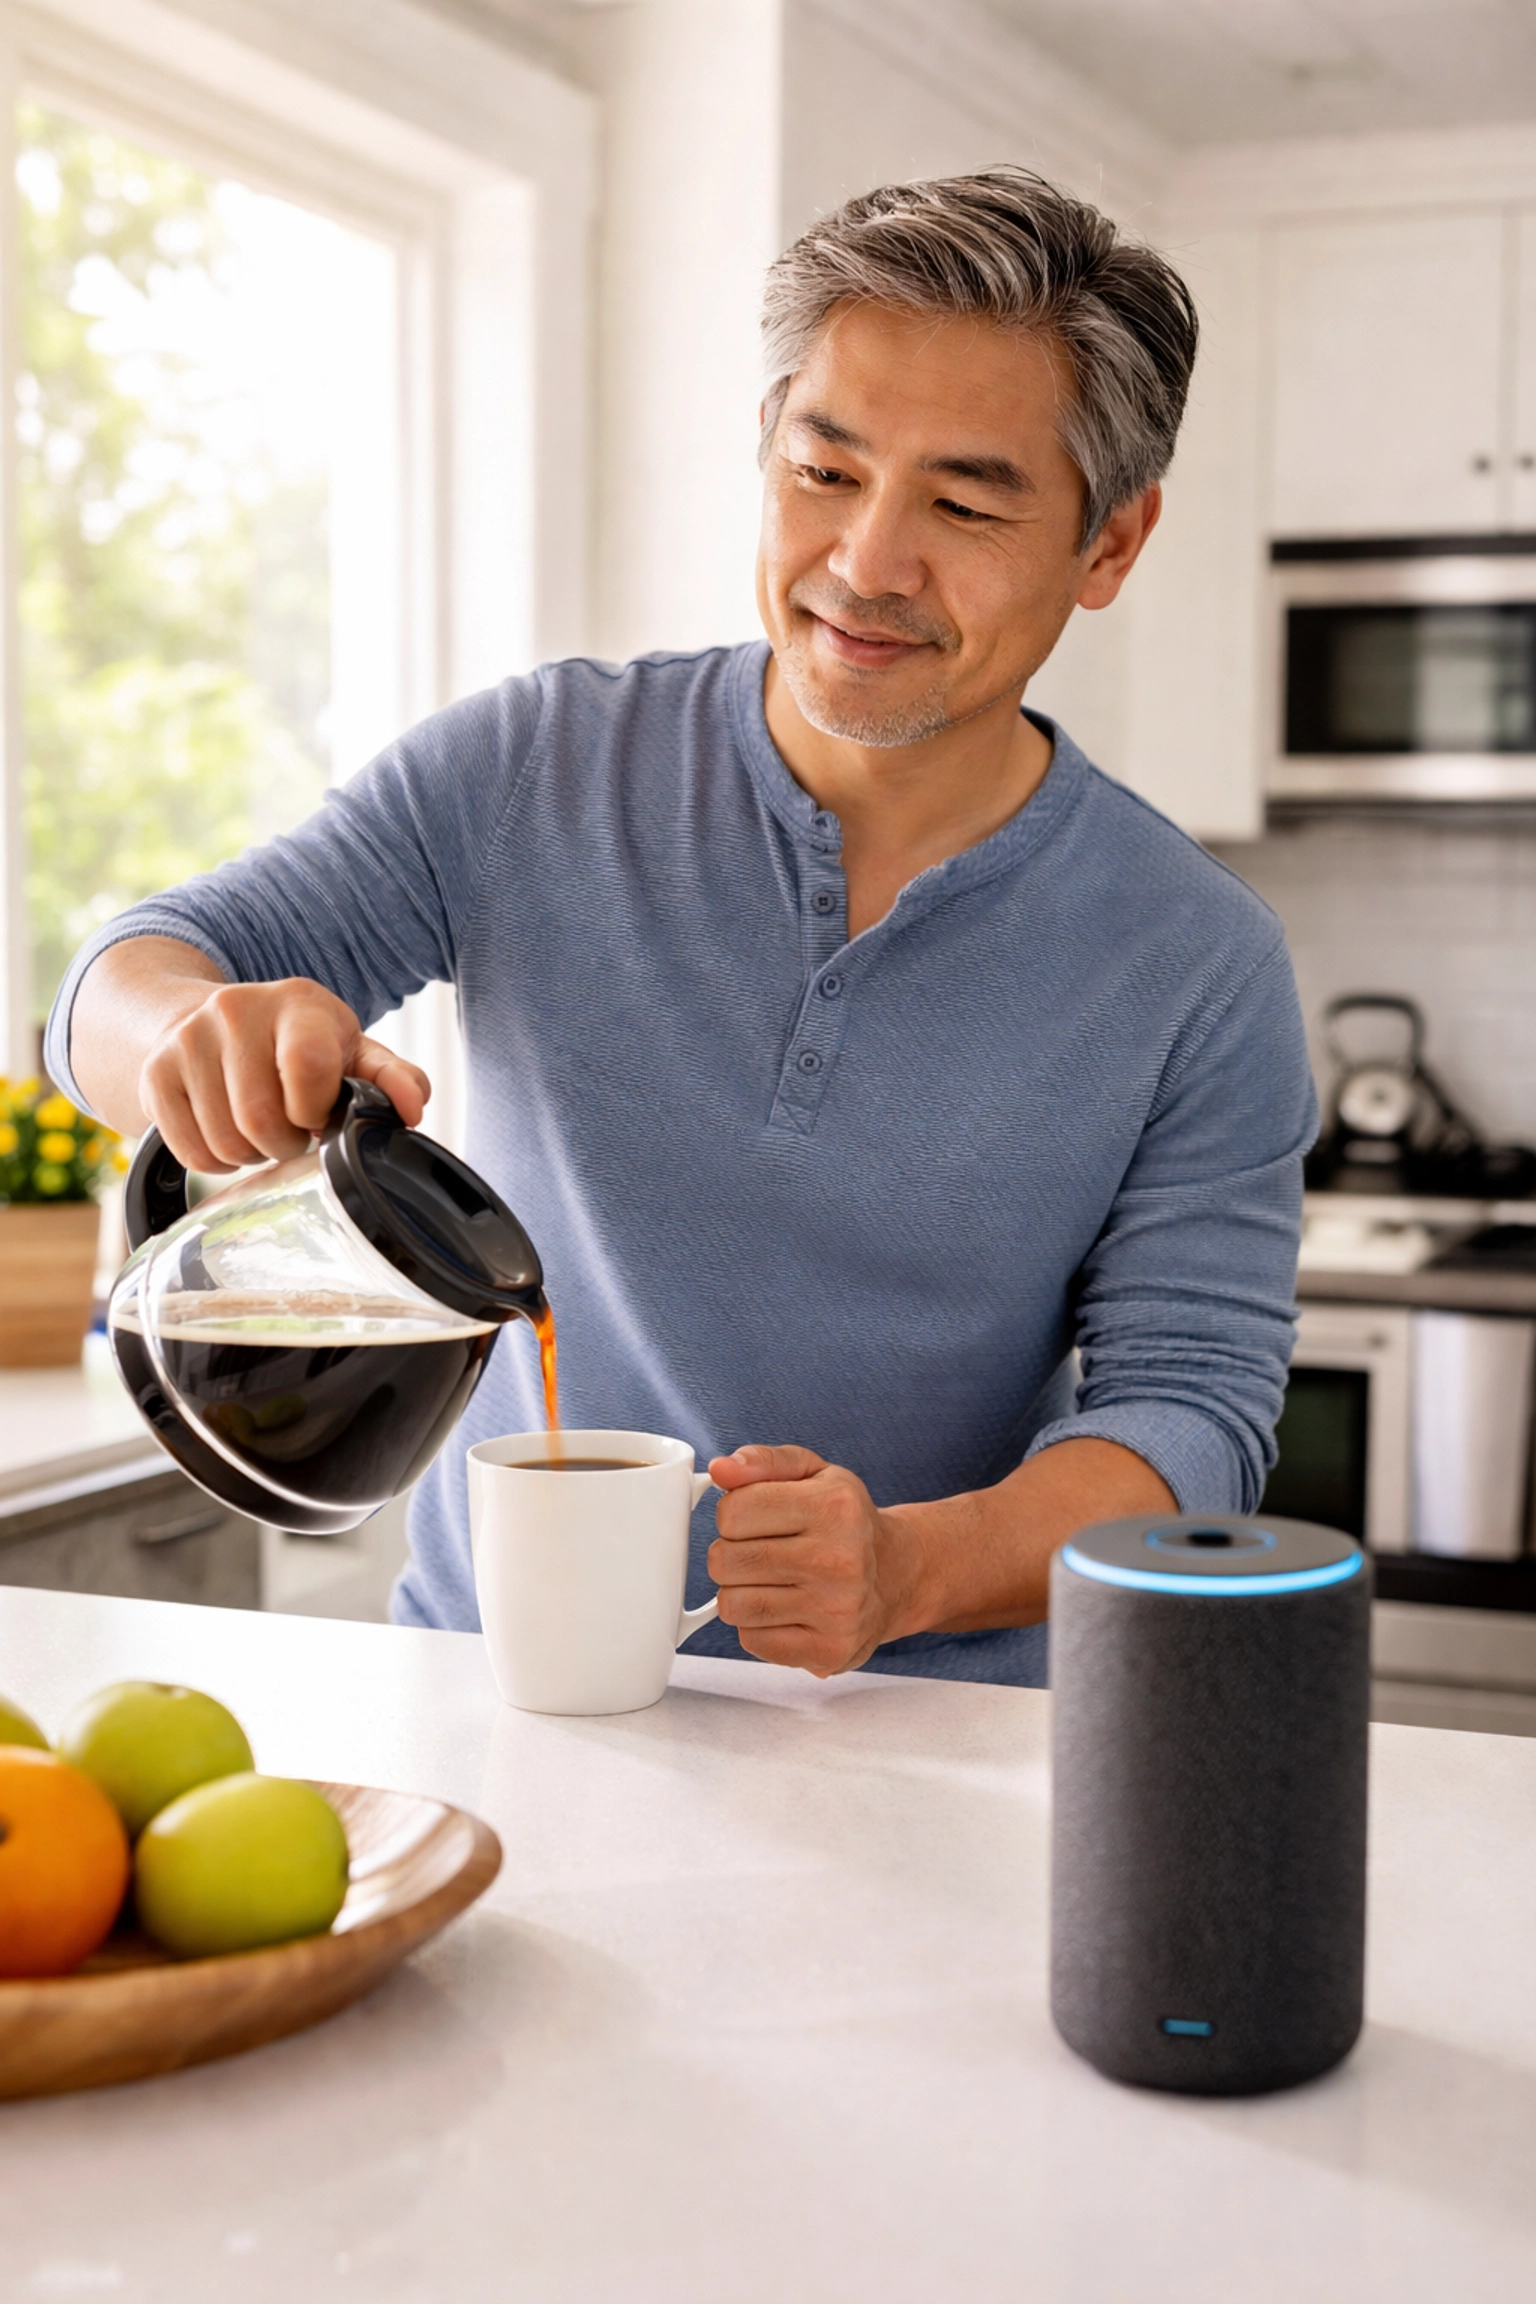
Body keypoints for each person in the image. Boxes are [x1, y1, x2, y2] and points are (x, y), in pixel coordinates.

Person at [49, 169, 1316, 1687]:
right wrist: (198, 1041)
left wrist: (908, 1567)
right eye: (824, 473)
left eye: (965, 505)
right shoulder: (532, 770)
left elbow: (1192, 1419)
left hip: (927, 1754)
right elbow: (123, 978)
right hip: (497, 1705)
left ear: (1110, 546)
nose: (866, 564)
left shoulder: (1199, 964)